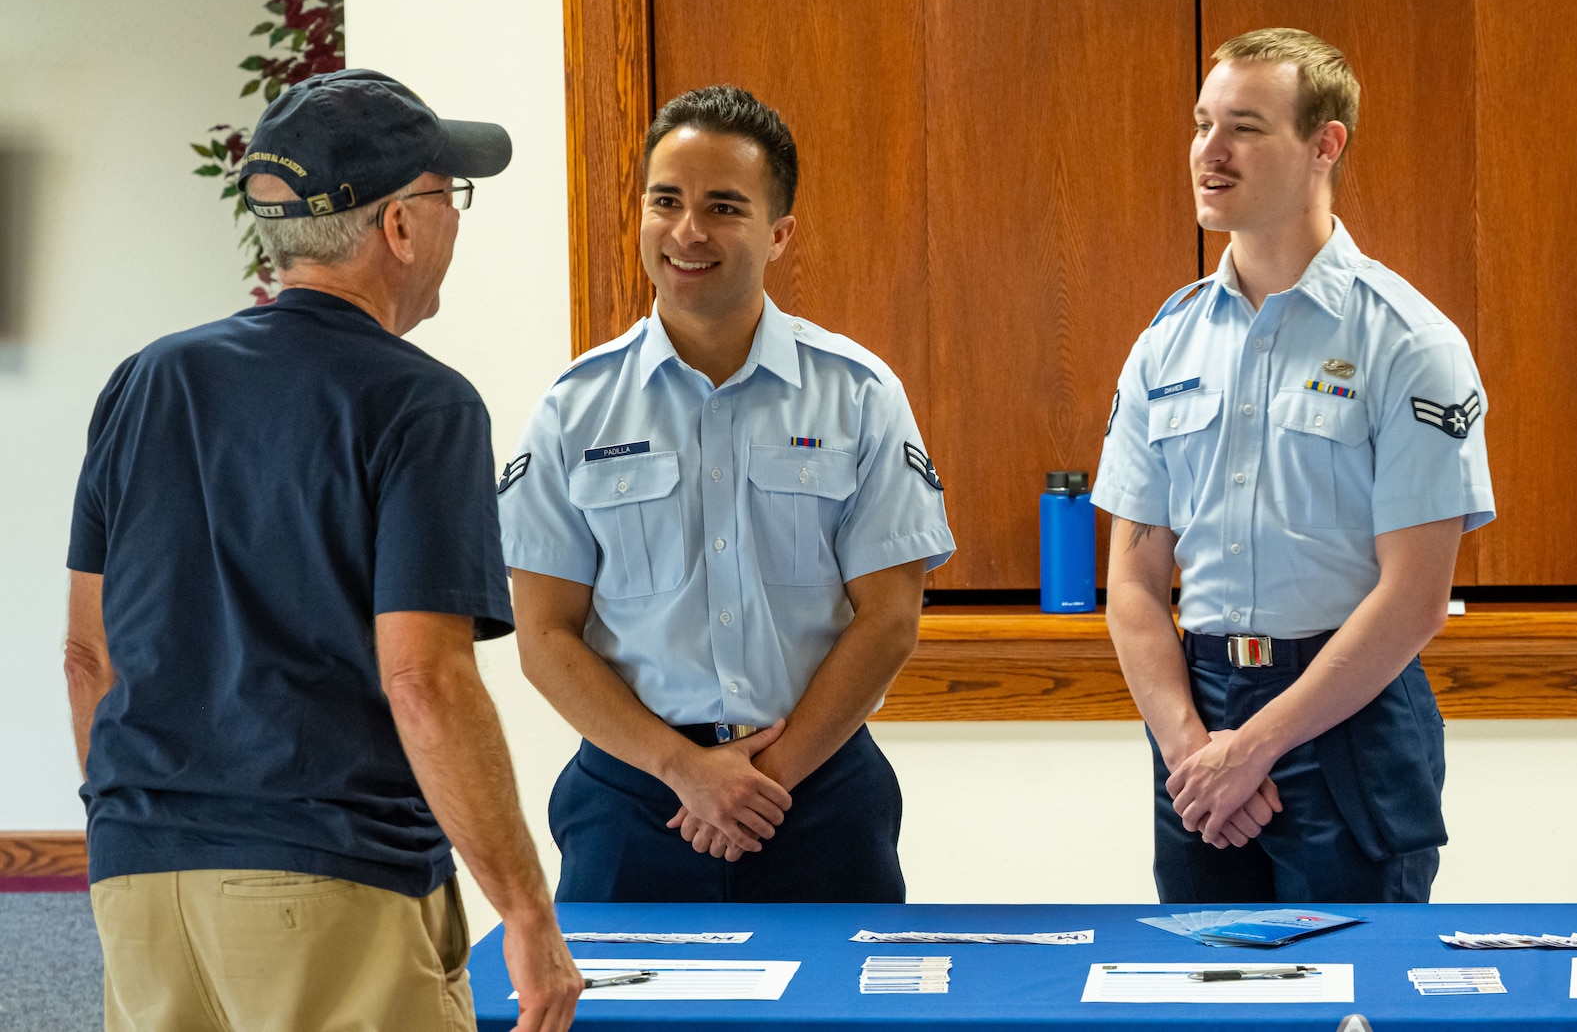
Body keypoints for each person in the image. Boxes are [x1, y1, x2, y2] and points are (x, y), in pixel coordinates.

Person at [63, 69, 581, 1032]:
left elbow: (87, 656)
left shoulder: (146, 381)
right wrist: (525, 911)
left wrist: (140, 827)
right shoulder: (420, 403)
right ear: (398, 227)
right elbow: (424, 680)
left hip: (138, 884)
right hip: (330, 882)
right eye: (446, 195)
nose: (454, 224)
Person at [503, 85, 953, 903]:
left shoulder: (857, 395)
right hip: (633, 801)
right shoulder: (575, 408)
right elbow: (542, 633)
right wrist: (686, 771)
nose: (688, 231)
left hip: (815, 796)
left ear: (780, 233)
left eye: (723, 206)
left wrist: (757, 782)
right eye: (665, 200)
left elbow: (889, 616)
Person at [1095, 28, 1495, 904]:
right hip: (1195, 717)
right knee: (1200, 995)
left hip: (1347, 720)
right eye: (1202, 124)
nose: (1211, 150)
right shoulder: (1166, 344)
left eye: (1245, 126)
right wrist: (1196, 750)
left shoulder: (1407, 341)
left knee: (1352, 991)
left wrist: (1256, 745)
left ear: (1326, 145)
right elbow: (1132, 580)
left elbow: (1416, 598)